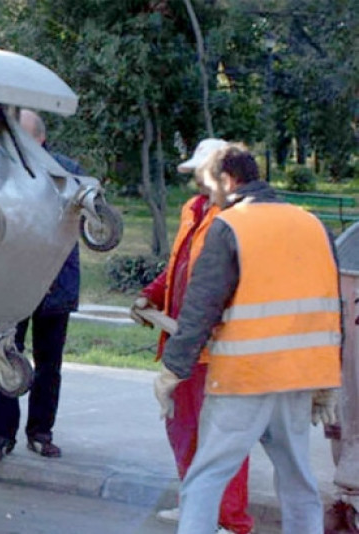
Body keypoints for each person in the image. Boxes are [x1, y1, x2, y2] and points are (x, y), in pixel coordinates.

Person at [155, 144, 342, 534]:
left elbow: (201, 306)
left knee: (206, 476)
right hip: (297, 377)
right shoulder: (312, 225)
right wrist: (327, 380)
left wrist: (172, 369)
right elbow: (331, 305)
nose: (205, 193)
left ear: (227, 180)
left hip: (245, 377)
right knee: (297, 479)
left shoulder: (230, 226)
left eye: (207, 183)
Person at [130, 139, 254, 534]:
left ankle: (230, 522)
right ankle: (196, 507)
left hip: (216, 349)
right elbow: (180, 266)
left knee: (222, 440)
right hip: (183, 346)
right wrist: (150, 295)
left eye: (200, 175)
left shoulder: (238, 218)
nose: (195, 183)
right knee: (181, 428)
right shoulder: (195, 210)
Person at [0, 109, 81, 462]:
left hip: (55, 283)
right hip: (11, 281)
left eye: (20, 136)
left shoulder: (67, 173)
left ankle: (40, 433)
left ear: (38, 138)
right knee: (5, 356)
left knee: (48, 363)